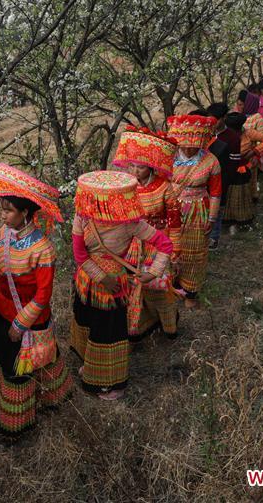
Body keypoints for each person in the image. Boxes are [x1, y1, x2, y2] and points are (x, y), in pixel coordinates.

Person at [0, 164, 72, 437]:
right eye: (2, 208)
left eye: (9, 210)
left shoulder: (42, 249)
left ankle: (22, 419)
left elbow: (43, 295)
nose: (3, 215)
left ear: (25, 212)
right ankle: (5, 406)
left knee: (31, 364)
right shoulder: (3, 234)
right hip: (3, 310)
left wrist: (20, 324)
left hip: (29, 319)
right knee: (5, 360)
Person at [70, 170, 172, 400]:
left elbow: (165, 244)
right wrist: (102, 277)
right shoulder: (82, 217)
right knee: (90, 325)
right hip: (91, 283)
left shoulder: (130, 224)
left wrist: (152, 273)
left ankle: (114, 384)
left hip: (110, 288)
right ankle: (94, 369)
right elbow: (78, 254)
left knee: (109, 333)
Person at [112, 127, 182, 339]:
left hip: (158, 240)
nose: (134, 171)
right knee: (134, 285)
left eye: (140, 167)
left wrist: (176, 249)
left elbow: (175, 220)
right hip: (133, 243)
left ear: (150, 167)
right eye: (131, 165)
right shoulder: (127, 187)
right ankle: (140, 325)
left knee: (157, 286)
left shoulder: (165, 188)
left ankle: (169, 324)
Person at [166, 115, 222, 307]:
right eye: (184, 144)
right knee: (169, 248)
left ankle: (190, 291)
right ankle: (170, 286)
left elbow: (215, 192)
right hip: (170, 209)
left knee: (195, 250)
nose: (189, 148)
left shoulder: (211, 161)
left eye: (193, 145)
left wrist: (212, 218)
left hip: (198, 210)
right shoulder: (167, 157)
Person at [221, 111, 263, 229]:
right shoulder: (223, 135)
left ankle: (241, 218)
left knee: (242, 193)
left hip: (245, 167)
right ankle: (228, 217)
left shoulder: (248, 133)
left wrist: (255, 152)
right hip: (228, 169)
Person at [193, 107, 229, 250]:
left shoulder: (218, 149)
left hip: (207, 198)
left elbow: (222, 180)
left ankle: (212, 240)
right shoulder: (180, 152)